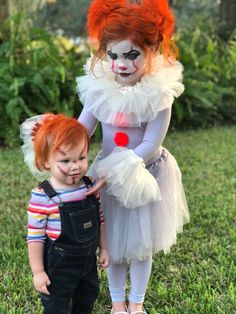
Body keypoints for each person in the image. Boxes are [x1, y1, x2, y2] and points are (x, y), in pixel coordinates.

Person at [76, 0, 190, 313]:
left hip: (146, 176)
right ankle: (116, 303)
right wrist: (59, 139)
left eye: (131, 55)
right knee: (112, 245)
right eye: (112, 55)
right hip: (107, 181)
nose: (120, 64)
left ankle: (136, 304)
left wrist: (121, 169)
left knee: (140, 247)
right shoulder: (101, 88)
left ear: (152, 50)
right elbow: (82, 129)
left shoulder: (158, 93)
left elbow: (152, 142)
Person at [20, 113, 109, 314]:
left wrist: (104, 249)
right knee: (56, 306)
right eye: (66, 160)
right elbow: (34, 238)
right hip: (59, 267)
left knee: (87, 298)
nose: (75, 166)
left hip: (87, 264)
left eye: (81, 158)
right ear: (46, 161)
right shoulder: (43, 196)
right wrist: (38, 271)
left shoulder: (90, 187)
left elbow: (100, 220)